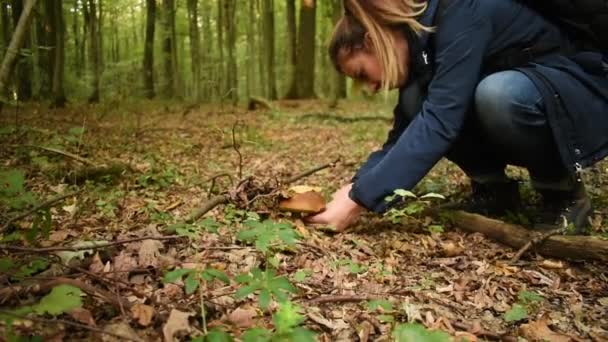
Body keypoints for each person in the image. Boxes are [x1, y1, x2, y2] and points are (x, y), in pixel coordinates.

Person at [307, 0, 608, 233]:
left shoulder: (459, 12)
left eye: (362, 73)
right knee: (417, 101)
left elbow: (440, 120)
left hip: (575, 90)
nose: (371, 88)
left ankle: (562, 193)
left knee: (497, 94)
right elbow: (402, 136)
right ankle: (494, 192)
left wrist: (358, 201)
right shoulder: (423, 49)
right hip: (532, 91)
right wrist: (357, 186)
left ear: (373, 41)